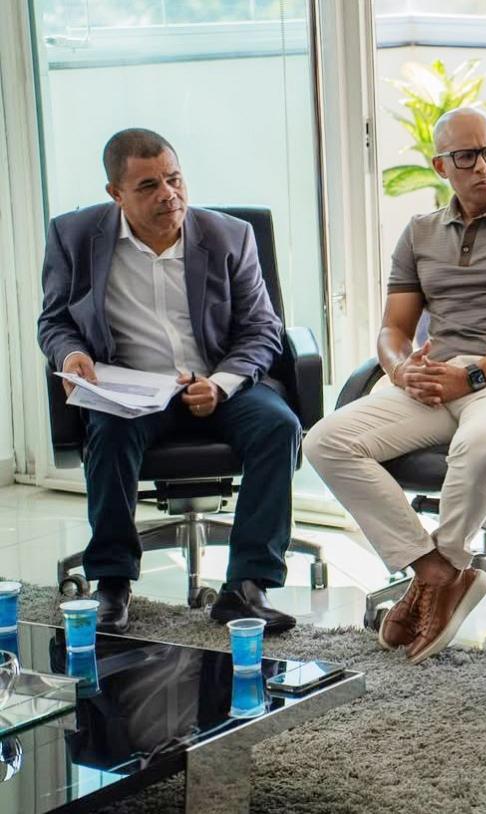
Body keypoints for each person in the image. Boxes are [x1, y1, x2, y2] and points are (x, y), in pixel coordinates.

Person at [303, 108, 486, 664]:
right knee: (325, 442)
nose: (484, 167)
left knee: (482, 445)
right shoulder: (421, 232)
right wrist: (400, 367)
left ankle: (443, 569)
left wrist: (473, 375)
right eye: (466, 156)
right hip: (437, 376)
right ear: (440, 166)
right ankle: (437, 573)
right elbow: (393, 329)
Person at [37, 128, 300, 635]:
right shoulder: (73, 237)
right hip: (131, 387)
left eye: (175, 179)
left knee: (279, 427)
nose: (169, 195)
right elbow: (55, 320)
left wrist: (221, 383)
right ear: (115, 194)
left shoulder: (228, 235)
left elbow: (263, 328)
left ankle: (247, 586)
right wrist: (70, 354)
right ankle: (112, 581)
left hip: (216, 379)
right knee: (109, 432)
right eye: (149, 186)